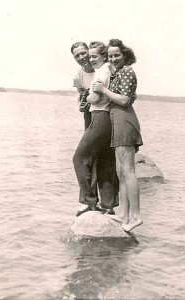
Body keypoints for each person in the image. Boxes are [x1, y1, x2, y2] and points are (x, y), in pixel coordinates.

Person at [92, 39, 143, 232]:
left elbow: (124, 100)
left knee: (128, 171)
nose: (113, 59)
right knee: (121, 172)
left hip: (125, 123)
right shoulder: (119, 72)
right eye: (111, 56)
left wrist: (104, 90)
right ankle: (123, 214)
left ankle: (136, 216)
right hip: (118, 122)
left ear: (125, 55)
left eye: (117, 55)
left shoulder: (128, 71)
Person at [73, 41, 119, 216]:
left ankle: (89, 201)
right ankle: (109, 205)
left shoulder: (102, 71)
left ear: (102, 56)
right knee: (105, 159)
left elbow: (95, 97)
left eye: (92, 56)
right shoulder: (107, 69)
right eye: (79, 55)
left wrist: (89, 96)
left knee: (80, 158)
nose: (88, 58)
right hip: (105, 116)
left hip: (101, 116)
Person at [71, 42, 95, 130]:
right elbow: (81, 95)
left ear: (89, 51)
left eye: (83, 53)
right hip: (90, 114)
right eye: (77, 56)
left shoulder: (102, 68)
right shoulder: (78, 76)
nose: (81, 57)